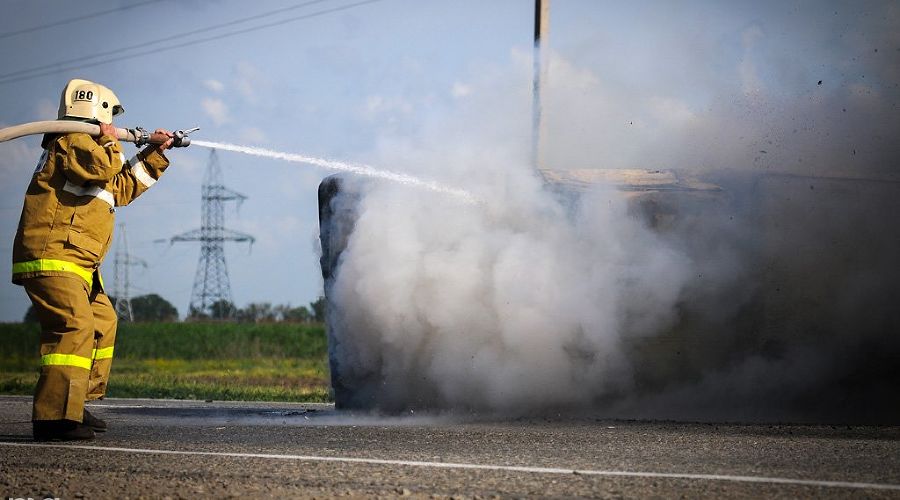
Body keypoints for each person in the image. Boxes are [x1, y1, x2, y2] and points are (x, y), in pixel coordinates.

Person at [11, 79, 175, 441]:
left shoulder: (94, 149)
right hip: (54, 256)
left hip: (78, 263)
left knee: (102, 323)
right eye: (111, 116)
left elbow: (121, 187)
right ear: (98, 110)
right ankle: (54, 419)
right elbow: (101, 168)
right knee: (74, 326)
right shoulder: (72, 140)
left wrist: (155, 153)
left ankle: (72, 402)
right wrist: (112, 141)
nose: (114, 123)